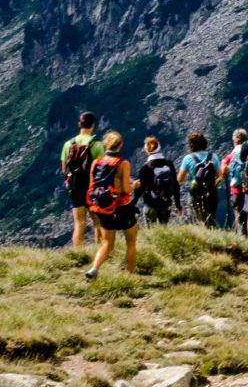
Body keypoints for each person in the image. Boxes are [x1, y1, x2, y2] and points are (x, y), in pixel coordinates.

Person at [83, 131, 141, 279]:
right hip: (122, 207)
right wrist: (134, 185)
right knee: (131, 242)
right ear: (120, 145)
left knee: (107, 243)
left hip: (103, 207)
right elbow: (126, 189)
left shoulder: (96, 162)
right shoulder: (123, 164)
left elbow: (92, 185)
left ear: (105, 144)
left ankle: (94, 268)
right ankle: (129, 276)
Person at [59, 111, 100, 250]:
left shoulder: (67, 144)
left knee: (79, 223)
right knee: (97, 222)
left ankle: (78, 252)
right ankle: (100, 250)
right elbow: (101, 167)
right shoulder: (96, 145)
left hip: (75, 186)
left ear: (79, 124)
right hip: (92, 187)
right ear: (93, 126)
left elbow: (64, 168)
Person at [178, 130, 221, 228]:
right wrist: (214, 183)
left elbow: (180, 179)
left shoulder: (188, 158)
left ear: (191, 145)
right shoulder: (213, 157)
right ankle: (214, 239)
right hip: (212, 194)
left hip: (196, 194)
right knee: (211, 220)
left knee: (198, 221)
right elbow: (220, 176)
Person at [136, 136, 180, 226]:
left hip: (150, 204)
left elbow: (140, 188)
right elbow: (175, 185)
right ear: (159, 147)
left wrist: (133, 203)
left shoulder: (145, 167)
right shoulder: (169, 164)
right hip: (165, 204)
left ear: (146, 150)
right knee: (164, 230)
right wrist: (178, 205)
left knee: (151, 234)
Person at [222, 128, 248, 231]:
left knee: (240, 217)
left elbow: (223, 169)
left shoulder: (231, 156)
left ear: (234, 141)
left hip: (236, 191)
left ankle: (243, 239)